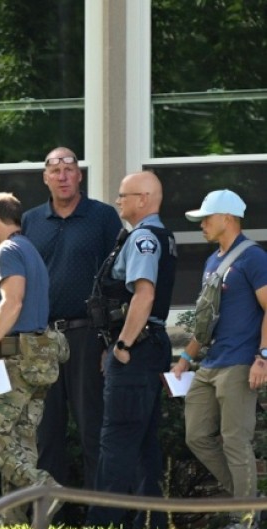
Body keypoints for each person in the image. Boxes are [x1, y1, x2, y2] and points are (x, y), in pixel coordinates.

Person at [21, 147, 122, 498]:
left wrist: (113, 342)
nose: (62, 176)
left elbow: (120, 282)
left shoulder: (103, 217)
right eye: (55, 169)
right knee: (45, 435)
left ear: (80, 175)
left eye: (69, 168)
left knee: (93, 430)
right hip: (41, 339)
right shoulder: (30, 221)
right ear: (45, 177)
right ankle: (51, 517)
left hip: (88, 336)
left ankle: (102, 516)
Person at [171, 189, 267, 529]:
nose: (202, 225)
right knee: (196, 436)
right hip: (210, 365)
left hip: (241, 363)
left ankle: (244, 519)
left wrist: (263, 357)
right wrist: (184, 359)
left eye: (206, 218)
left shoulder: (253, 258)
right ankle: (251, 501)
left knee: (235, 440)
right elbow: (205, 322)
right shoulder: (213, 261)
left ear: (227, 218)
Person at [86, 171, 177, 529]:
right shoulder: (157, 236)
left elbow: (144, 294)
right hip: (146, 347)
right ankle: (147, 522)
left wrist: (122, 344)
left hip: (137, 350)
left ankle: (102, 523)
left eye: (123, 196)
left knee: (118, 442)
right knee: (142, 445)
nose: (118, 202)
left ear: (143, 199)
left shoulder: (143, 238)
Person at [0, 192, 60, 526]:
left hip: (14, 359)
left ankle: (42, 487)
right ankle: (15, 521)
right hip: (39, 359)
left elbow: (12, 302)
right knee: (19, 442)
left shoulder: (7, 250)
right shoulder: (31, 251)